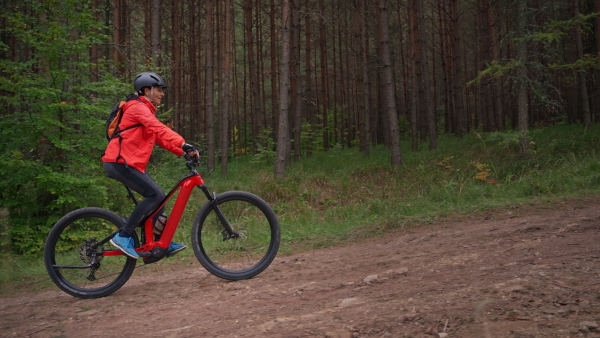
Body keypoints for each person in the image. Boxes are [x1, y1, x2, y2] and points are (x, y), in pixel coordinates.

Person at [102, 72, 199, 259]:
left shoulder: (145, 109)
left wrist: (182, 152)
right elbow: (158, 128)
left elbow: (159, 138)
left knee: (158, 202)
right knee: (155, 195)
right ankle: (124, 236)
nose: (162, 94)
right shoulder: (136, 108)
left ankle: (158, 245)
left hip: (128, 164)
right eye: (159, 90)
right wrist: (183, 143)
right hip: (119, 162)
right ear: (146, 90)